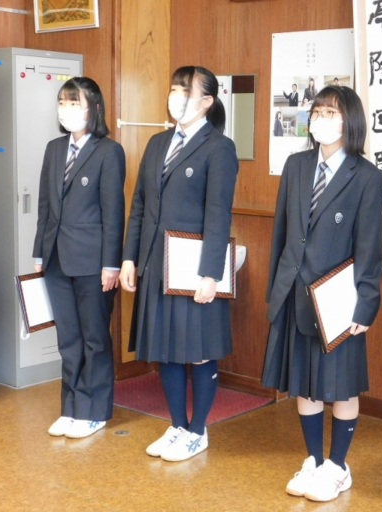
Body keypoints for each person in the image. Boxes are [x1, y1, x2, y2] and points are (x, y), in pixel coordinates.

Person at [262, 85, 382, 502]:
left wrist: (366, 303)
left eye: (330, 112)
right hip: (294, 293)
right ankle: (313, 460)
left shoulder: (366, 176)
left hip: (337, 300)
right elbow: (281, 233)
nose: (320, 118)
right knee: (306, 386)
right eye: (317, 111)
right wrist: (274, 292)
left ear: (349, 120)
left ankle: (337, 465)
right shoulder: (296, 166)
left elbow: (369, 247)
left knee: (342, 388)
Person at [120, 65, 239, 462]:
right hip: (156, 264)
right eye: (173, 89)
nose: (176, 97)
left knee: (199, 350)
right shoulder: (157, 143)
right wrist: (129, 258)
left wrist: (211, 274)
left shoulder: (219, 147)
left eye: (186, 91)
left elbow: (218, 214)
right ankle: (176, 425)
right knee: (166, 350)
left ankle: (197, 430)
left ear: (207, 101)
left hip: (192, 269)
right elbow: (138, 206)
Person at [33, 77, 126, 439]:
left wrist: (111, 264)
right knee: (68, 339)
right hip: (56, 258)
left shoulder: (108, 151)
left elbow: (112, 213)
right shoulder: (54, 149)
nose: (67, 109)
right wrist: (40, 253)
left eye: (75, 103)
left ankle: (95, 410)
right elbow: (45, 206)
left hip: (93, 262)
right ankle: (70, 407)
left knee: (94, 339)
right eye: (63, 103)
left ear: (94, 108)